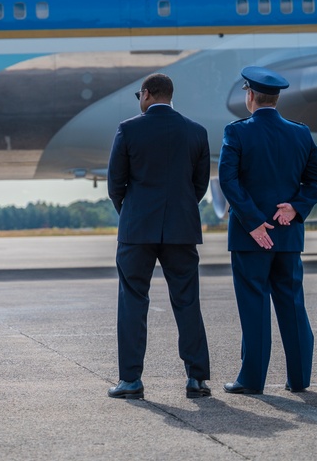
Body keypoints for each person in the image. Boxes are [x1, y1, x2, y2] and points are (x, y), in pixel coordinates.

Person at [218, 66, 317, 395]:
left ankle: (251, 381)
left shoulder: (236, 132)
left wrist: (252, 222)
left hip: (251, 240)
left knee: (254, 308)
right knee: (293, 306)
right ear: (277, 98)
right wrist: (295, 207)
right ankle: (299, 379)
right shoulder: (301, 133)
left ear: (250, 96)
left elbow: (228, 180)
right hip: (288, 235)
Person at [106, 73, 212, 400]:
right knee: (187, 302)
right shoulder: (196, 132)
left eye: (139, 93)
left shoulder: (128, 129)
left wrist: (133, 212)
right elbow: (200, 185)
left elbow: (115, 184)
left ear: (148, 94)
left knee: (133, 302)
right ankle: (196, 379)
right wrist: (177, 209)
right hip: (181, 229)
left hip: (137, 231)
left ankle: (131, 381)